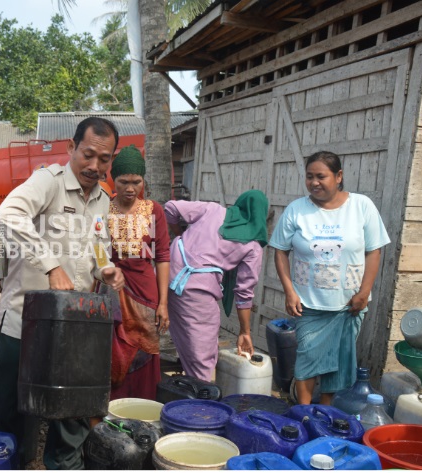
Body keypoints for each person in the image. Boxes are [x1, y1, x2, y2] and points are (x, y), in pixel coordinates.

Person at [0, 117, 125, 469]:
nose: (95, 165)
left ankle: (60, 465)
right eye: (88, 154)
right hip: (23, 324)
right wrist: (51, 266)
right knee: (11, 410)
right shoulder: (47, 182)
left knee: (70, 411)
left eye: (105, 159)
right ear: (71, 148)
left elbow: (98, 245)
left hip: (71, 329)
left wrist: (105, 268)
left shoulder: (101, 199)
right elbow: (8, 214)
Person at [270, 151, 390, 405]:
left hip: (350, 305)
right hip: (309, 304)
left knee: (337, 361)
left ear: (338, 177)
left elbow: (374, 250)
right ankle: (303, 412)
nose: (314, 182)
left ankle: (325, 412)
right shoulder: (297, 210)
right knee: (307, 358)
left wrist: (364, 293)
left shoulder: (362, 206)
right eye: (310, 176)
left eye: (321, 176)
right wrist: (290, 291)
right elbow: (280, 250)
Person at [166, 190, 269, 382]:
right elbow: (244, 292)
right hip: (197, 290)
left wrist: (182, 237)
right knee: (204, 355)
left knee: (184, 339)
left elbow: (171, 208)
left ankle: (185, 389)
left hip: (167, 276)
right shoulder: (253, 245)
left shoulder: (212, 209)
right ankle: (200, 404)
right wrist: (244, 332)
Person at [106, 145, 170, 400]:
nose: (130, 188)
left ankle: (143, 409)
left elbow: (163, 256)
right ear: (113, 179)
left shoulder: (154, 210)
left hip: (145, 290)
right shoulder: (103, 209)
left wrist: (163, 302)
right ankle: (112, 409)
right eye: (123, 181)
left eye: (137, 181)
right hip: (111, 289)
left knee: (145, 348)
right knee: (113, 349)